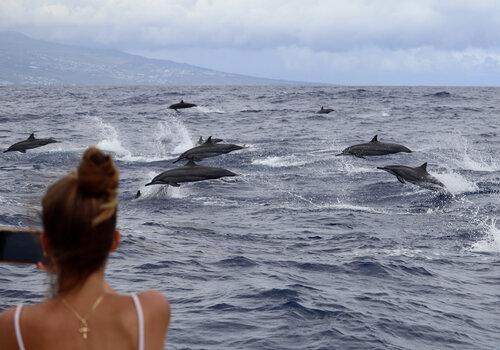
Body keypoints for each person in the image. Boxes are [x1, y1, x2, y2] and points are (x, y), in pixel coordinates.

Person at [0, 147, 170, 349]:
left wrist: (59, 268)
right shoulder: (149, 312)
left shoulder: (16, 325)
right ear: (114, 241)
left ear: (45, 243)